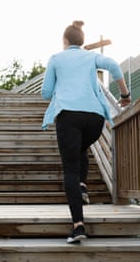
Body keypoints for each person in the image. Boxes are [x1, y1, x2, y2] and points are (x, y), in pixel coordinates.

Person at [41, 20, 131, 244]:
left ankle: (78, 226)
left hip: (69, 116)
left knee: (69, 168)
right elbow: (115, 66)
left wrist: (59, 87)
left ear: (64, 41)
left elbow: (45, 93)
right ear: (81, 41)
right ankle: (82, 184)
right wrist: (125, 94)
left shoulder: (56, 59)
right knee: (80, 147)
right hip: (95, 119)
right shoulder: (91, 57)